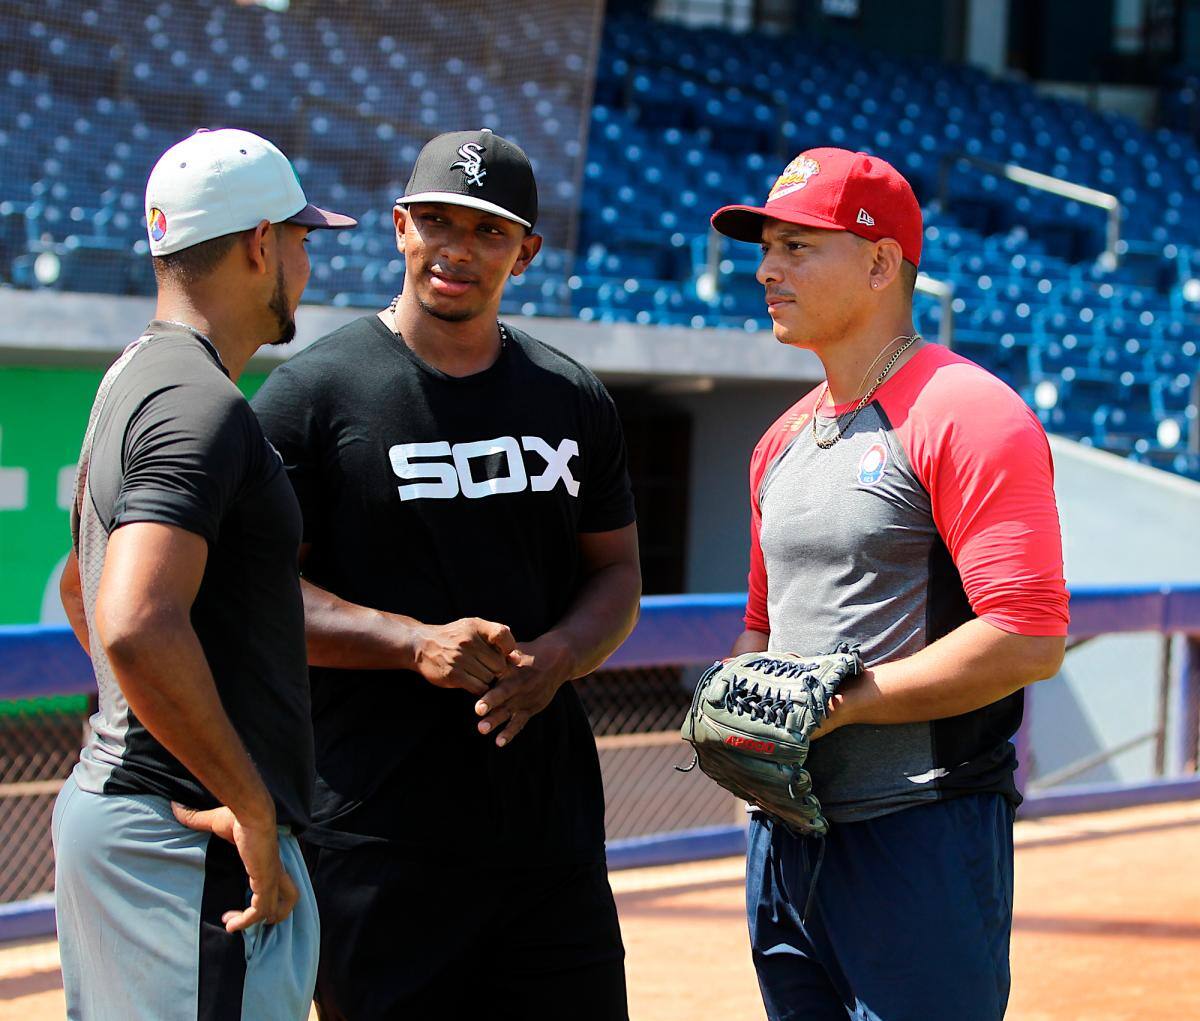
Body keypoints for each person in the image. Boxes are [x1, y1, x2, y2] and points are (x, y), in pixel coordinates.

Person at [251, 127, 642, 1020]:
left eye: (488, 231)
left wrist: (561, 655)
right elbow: (254, 594)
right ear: (400, 227)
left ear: (525, 252)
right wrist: (412, 643)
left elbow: (618, 571)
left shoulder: (572, 396)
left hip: (548, 839)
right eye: (437, 221)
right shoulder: (312, 395)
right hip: (376, 838)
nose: (457, 250)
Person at [708, 147, 1070, 1021]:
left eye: (797, 246)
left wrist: (842, 704)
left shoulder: (968, 411)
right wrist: (745, 710)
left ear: (880, 263)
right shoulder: (778, 439)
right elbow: (761, 625)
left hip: (920, 827)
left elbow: (1028, 634)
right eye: (767, 248)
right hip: (786, 834)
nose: (765, 269)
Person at [54, 127, 356, 1021]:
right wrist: (246, 801)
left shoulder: (138, 376)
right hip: (188, 840)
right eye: (300, 237)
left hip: (142, 821)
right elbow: (134, 620)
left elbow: (81, 585)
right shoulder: (199, 400)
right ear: (261, 244)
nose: (307, 259)